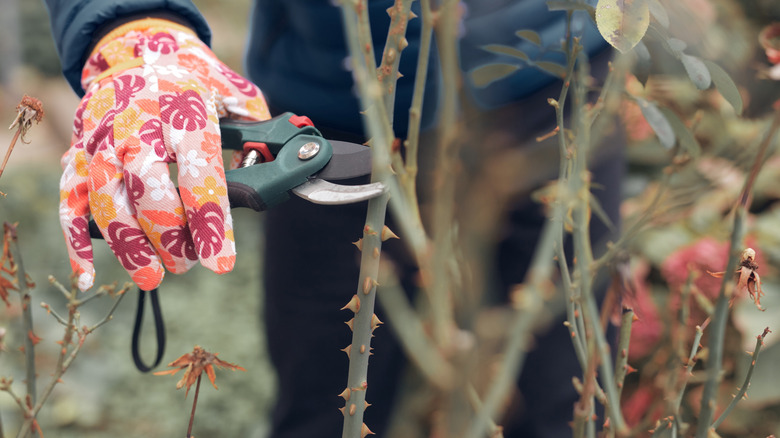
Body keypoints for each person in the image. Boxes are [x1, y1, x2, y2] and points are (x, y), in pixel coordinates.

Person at [45, 1, 621, 436]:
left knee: (567, 408)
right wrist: (135, 28)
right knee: (326, 410)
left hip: (558, 80)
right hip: (330, 107)